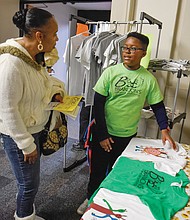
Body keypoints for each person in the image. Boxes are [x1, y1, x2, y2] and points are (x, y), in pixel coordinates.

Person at [77, 31, 177, 215]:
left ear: (143, 53)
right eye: (125, 48)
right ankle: (90, 199)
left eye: (133, 48)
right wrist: (102, 135)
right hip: (104, 133)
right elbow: (97, 105)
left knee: (119, 172)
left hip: (127, 136)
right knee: (97, 171)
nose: (127, 52)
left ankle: (111, 202)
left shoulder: (148, 79)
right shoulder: (111, 72)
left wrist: (164, 129)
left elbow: (158, 106)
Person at [0, 7, 65, 220]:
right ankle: (23, 217)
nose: (56, 39)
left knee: (32, 182)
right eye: (54, 33)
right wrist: (27, 144)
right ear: (39, 35)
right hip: (20, 135)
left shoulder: (34, 57)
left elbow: (41, 85)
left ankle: (27, 213)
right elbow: (7, 109)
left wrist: (54, 94)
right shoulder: (12, 63)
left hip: (34, 129)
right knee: (28, 185)